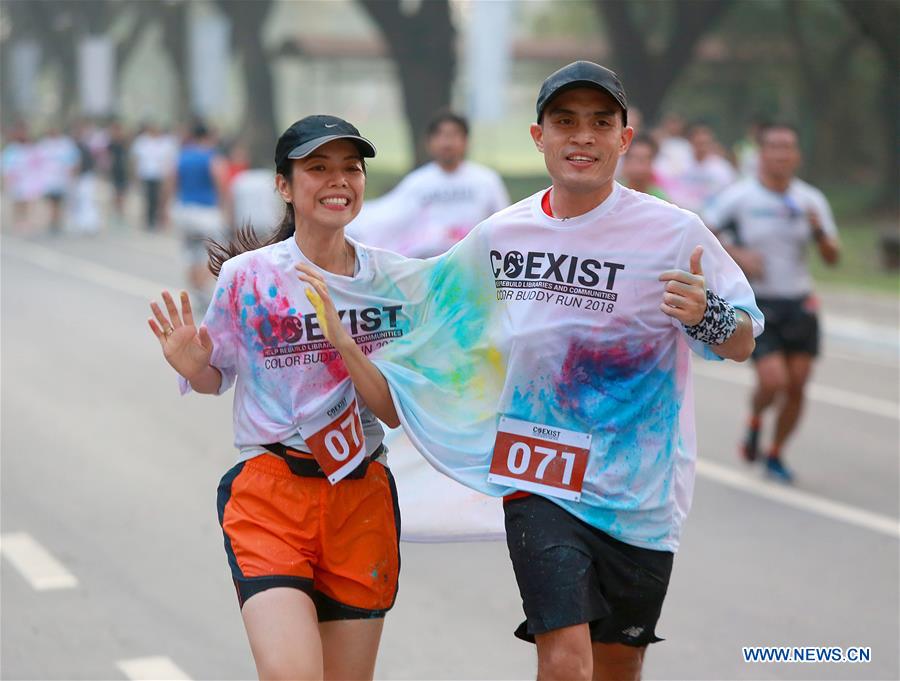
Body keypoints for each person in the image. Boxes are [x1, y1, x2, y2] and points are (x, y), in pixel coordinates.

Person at [351, 61, 763, 681]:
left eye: (601, 123)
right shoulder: (503, 236)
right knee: (565, 661)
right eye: (565, 122)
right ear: (538, 136)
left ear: (625, 138)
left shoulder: (674, 233)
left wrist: (707, 316)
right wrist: (306, 286)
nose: (583, 137)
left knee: (618, 663)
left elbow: (742, 342)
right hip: (539, 476)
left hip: (637, 492)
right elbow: (421, 303)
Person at [147, 115, 413, 680]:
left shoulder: (389, 281)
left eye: (350, 168)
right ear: (285, 186)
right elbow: (214, 376)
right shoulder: (249, 277)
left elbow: (394, 410)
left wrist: (343, 342)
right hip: (271, 495)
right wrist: (190, 361)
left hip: (360, 497)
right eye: (318, 168)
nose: (337, 180)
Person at [703, 122, 840, 483]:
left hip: (799, 301)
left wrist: (820, 233)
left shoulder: (810, 199)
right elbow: (703, 233)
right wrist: (737, 253)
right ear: (761, 153)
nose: (781, 154)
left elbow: (832, 257)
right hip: (759, 303)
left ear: (797, 155)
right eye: (774, 147)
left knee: (797, 383)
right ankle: (754, 421)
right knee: (774, 381)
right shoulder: (740, 196)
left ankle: (775, 452)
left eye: (788, 147)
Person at [348, 110, 509, 257]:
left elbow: (503, 223)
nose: (447, 143)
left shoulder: (486, 180)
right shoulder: (417, 182)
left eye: (453, 135)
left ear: (466, 141)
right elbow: (388, 217)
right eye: (441, 135)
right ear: (429, 142)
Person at [168, 121, 227, 311]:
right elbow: (220, 180)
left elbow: (171, 180)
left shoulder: (182, 156)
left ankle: (195, 291)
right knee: (210, 253)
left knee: (190, 253)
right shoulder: (211, 156)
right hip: (206, 211)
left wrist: (165, 208)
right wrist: (225, 206)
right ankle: (202, 291)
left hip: (184, 210)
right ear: (207, 136)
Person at [664, 122, 736, 213]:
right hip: (683, 213)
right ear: (690, 142)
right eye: (698, 143)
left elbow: (729, 195)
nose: (701, 147)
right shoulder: (678, 165)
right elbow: (670, 191)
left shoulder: (722, 168)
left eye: (704, 143)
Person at [131, 122, 175, 231]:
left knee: (160, 199)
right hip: (147, 174)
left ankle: (158, 220)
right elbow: (136, 159)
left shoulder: (166, 142)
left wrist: (169, 176)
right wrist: (135, 175)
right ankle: (149, 221)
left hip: (161, 175)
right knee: (149, 199)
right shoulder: (142, 141)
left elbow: (169, 160)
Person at [620, 134, 670, 201]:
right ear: (626, 161)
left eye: (644, 160)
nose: (639, 167)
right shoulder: (613, 192)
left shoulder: (659, 198)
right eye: (635, 158)